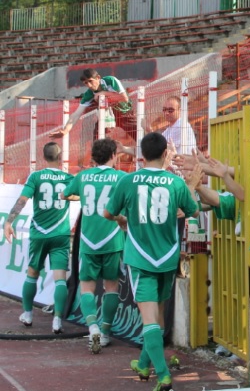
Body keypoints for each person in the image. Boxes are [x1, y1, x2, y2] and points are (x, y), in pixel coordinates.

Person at [104, 132, 201, 391]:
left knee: (148, 320)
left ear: (142, 155)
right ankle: (145, 364)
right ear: (165, 153)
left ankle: (163, 374)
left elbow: (107, 212)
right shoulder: (176, 183)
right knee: (157, 319)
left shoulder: (129, 180)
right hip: (168, 258)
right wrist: (189, 188)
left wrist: (123, 220)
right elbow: (192, 211)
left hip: (140, 257)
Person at [61, 138, 127, 353]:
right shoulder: (121, 177)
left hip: (89, 240)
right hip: (113, 237)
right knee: (111, 287)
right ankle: (106, 331)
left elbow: (65, 194)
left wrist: (79, 195)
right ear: (114, 155)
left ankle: (92, 328)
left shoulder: (82, 176)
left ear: (93, 157)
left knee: (87, 287)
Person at [3, 142, 74, 334]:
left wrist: (8, 221)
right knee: (60, 278)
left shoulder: (35, 176)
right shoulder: (68, 178)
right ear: (60, 158)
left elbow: (22, 200)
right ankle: (57, 320)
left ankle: (27, 314)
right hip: (60, 232)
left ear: (44, 157)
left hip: (39, 233)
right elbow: (77, 196)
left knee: (32, 273)